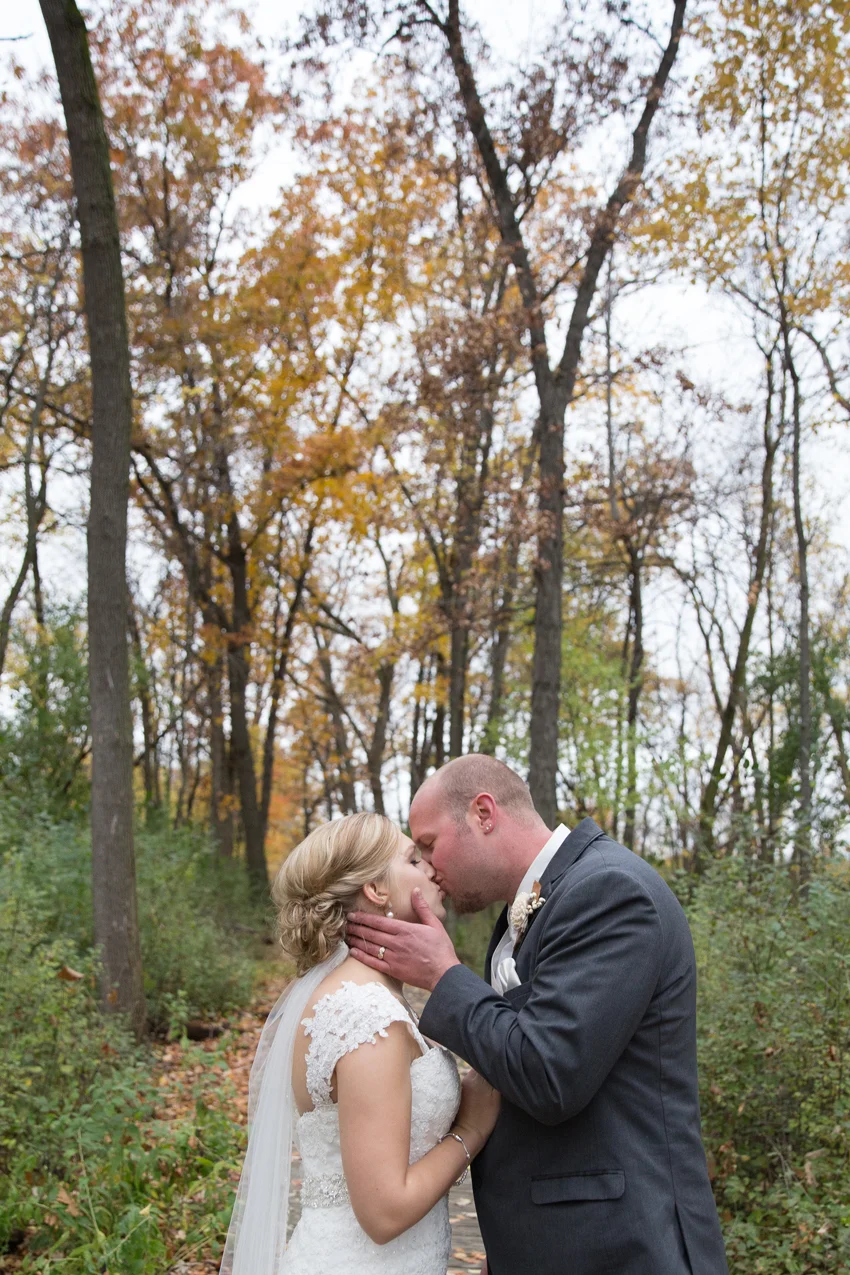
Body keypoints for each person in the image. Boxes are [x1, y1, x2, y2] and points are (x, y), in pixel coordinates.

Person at [347, 756, 729, 1275]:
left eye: (431, 844)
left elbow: (551, 1074)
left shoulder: (611, 891)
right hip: (561, 1244)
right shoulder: (526, 910)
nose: (430, 866)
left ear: (484, 813)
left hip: (626, 1246)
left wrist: (443, 976)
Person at [221, 810, 500, 1275]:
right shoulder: (366, 1015)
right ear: (376, 890)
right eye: (413, 858)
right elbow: (384, 1212)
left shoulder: (359, 998)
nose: (431, 867)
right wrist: (470, 1129)